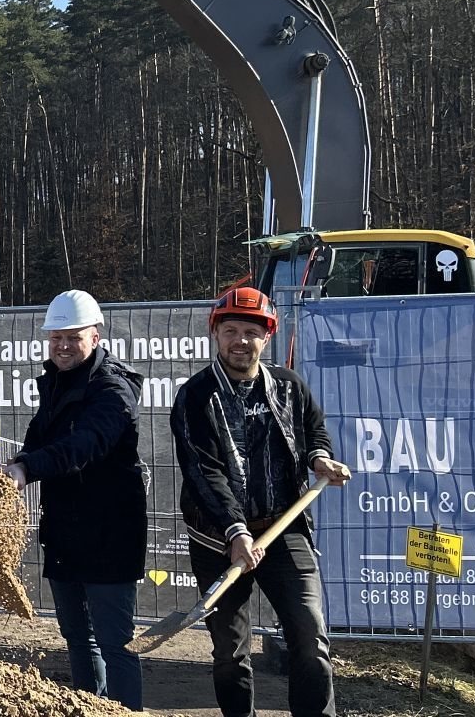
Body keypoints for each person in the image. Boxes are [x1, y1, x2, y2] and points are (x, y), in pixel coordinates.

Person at [172, 286, 353, 717]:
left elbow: (313, 430)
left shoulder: (289, 386)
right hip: (218, 539)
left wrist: (319, 458)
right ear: (215, 334)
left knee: (310, 637)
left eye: (251, 332)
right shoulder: (196, 397)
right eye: (230, 330)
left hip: (284, 529)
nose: (240, 341)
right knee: (230, 651)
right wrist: (235, 532)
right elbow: (204, 472)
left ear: (267, 336)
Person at [6, 290, 147, 710]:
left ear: (95, 337)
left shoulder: (114, 389)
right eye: (56, 338)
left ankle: (126, 711)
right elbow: (40, 436)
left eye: (73, 337)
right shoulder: (55, 382)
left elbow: (84, 445)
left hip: (110, 533)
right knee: (77, 637)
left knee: (116, 642)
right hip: (65, 530)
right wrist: (17, 462)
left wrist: (27, 468)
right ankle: (88, 706)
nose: (63, 346)